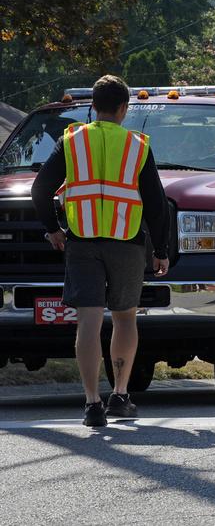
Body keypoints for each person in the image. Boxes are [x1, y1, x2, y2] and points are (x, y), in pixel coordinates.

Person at [31, 75, 169, 428]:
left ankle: (92, 403)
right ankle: (120, 395)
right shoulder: (137, 146)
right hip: (126, 244)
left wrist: (53, 230)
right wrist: (162, 250)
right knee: (125, 318)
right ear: (124, 108)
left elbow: (40, 189)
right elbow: (156, 205)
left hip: (82, 241)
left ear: (92, 106)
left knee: (89, 322)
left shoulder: (73, 141)